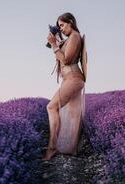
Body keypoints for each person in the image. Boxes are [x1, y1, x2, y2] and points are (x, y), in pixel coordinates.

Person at [42, 12, 86, 161]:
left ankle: (52, 148)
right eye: (59, 26)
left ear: (71, 22)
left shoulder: (74, 37)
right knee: (74, 115)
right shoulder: (70, 39)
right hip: (72, 79)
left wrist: (54, 44)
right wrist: (57, 43)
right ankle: (73, 150)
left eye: (62, 25)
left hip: (73, 79)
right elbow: (63, 55)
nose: (60, 29)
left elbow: (66, 60)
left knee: (51, 107)